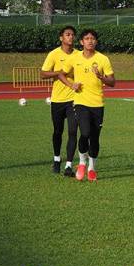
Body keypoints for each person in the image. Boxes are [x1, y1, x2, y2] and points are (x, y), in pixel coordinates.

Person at [58, 29, 115, 181]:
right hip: (80, 102)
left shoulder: (103, 59)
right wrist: (71, 85)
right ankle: (82, 162)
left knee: (95, 138)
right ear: (81, 42)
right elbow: (61, 74)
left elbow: (112, 82)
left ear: (96, 41)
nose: (90, 41)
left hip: (97, 104)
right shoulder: (75, 58)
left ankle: (92, 168)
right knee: (85, 133)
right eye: (87, 38)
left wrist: (101, 77)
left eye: (92, 38)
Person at [41, 26, 80, 177]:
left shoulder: (79, 55)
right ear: (61, 38)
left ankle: (69, 165)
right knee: (58, 131)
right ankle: (57, 159)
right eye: (67, 34)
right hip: (57, 99)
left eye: (72, 35)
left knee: (72, 131)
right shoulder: (54, 54)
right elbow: (43, 74)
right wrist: (58, 72)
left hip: (74, 99)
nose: (70, 37)